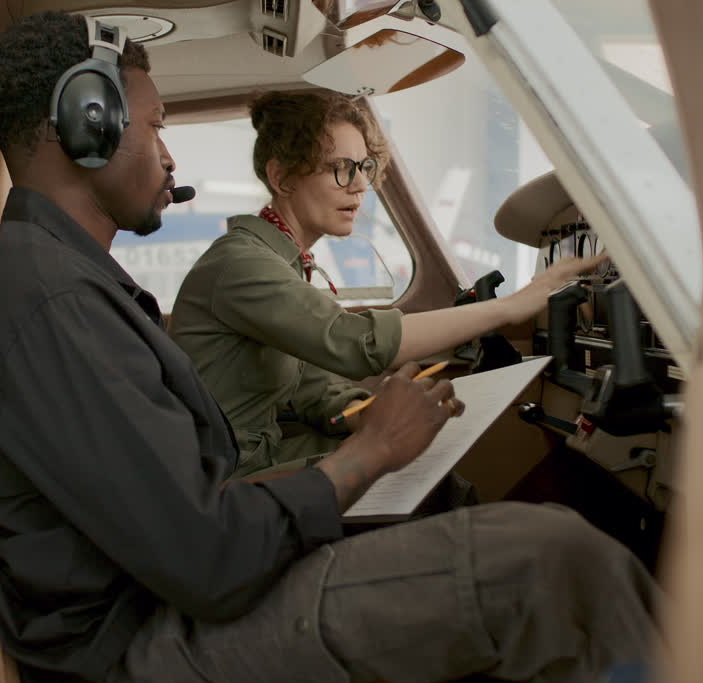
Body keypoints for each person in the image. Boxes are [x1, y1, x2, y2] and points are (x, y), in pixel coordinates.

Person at [0, 12, 657, 683]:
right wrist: (367, 456)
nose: (170, 155)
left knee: (522, 532)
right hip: (134, 654)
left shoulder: (61, 284)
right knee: (557, 563)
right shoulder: (46, 301)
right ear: (92, 125)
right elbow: (209, 556)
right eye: (154, 126)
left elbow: (188, 507)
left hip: (160, 603)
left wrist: (355, 441)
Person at [168, 90, 603, 478]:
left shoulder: (284, 262)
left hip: (257, 454)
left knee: (426, 462)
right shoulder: (242, 264)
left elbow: (310, 388)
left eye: (364, 167)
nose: (360, 185)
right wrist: (513, 306)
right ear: (282, 176)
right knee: (419, 477)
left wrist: (362, 413)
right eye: (340, 168)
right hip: (231, 475)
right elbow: (355, 343)